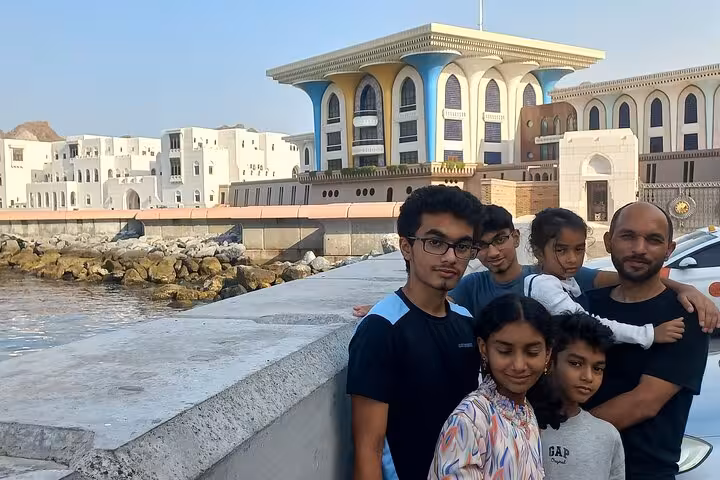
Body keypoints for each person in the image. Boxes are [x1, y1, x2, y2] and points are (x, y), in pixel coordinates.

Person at [353, 204, 718, 332]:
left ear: (515, 237)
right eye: (480, 246)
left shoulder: (551, 278)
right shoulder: (473, 286)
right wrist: (384, 307)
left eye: (500, 241)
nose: (493, 252)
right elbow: (428, 300)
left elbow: (629, 277)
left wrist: (685, 289)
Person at [346, 185, 484, 480]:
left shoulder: (465, 321)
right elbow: (367, 449)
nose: (450, 257)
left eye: (462, 246)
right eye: (435, 242)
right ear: (406, 246)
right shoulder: (381, 330)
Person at [584, 202, 710, 480]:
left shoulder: (687, 317)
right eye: (628, 236)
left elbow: (643, 402)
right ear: (608, 241)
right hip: (578, 468)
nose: (639, 248)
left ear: (669, 250)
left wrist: (561, 433)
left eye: (653, 240)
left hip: (644, 472)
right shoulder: (583, 306)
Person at [428, 294, 552, 479]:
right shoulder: (469, 421)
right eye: (505, 351)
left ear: (548, 354)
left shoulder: (526, 412)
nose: (519, 365)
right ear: (483, 348)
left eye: (532, 352)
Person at [524, 207, 685, 349]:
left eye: (579, 249)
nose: (572, 258)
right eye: (561, 250)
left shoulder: (568, 281)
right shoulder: (543, 285)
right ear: (539, 253)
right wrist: (648, 334)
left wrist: (684, 288)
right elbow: (589, 324)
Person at [540, 312, 625, 480]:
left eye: (597, 368)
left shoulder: (607, 435)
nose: (588, 377)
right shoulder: (522, 428)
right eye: (576, 364)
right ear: (549, 361)